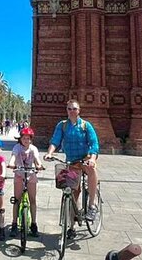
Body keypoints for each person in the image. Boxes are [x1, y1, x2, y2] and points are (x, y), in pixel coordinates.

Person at [44, 99, 100, 239]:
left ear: (79, 110)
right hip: (71, 161)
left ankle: (92, 205)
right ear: (67, 110)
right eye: (69, 109)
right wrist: (50, 152)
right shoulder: (62, 126)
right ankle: (71, 227)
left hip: (85, 159)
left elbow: (94, 143)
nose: (72, 111)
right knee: (72, 193)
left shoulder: (86, 126)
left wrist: (92, 158)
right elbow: (55, 140)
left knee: (92, 171)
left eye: (74, 109)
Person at [8, 127, 44, 238]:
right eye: (24, 138)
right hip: (19, 174)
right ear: (20, 139)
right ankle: (14, 224)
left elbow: (37, 159)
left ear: (31, 139)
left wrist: (39, 165)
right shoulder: (17, 147)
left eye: (28, 138)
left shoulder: (33, 149)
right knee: (16, 200)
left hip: (30, 175)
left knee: (32, 200)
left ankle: (33, 224)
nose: (26, 140)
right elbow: (13, 157)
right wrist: (11, 163)